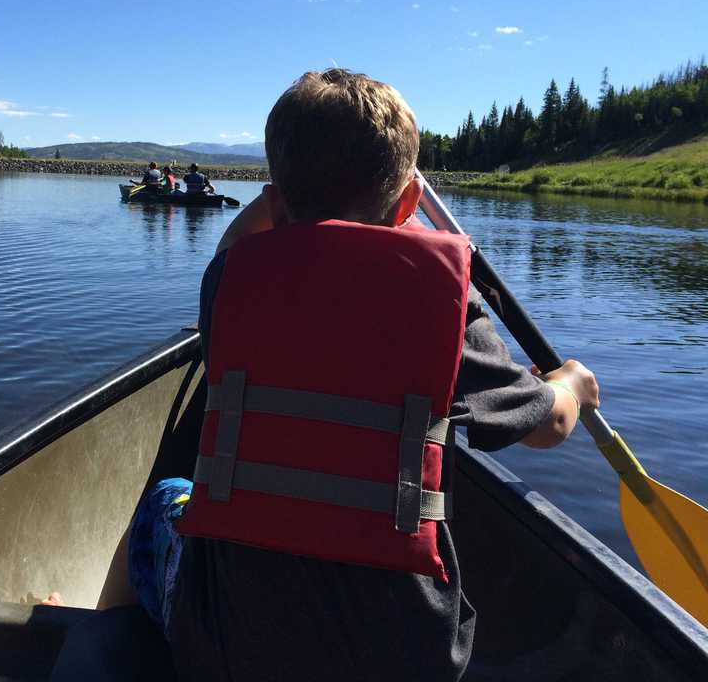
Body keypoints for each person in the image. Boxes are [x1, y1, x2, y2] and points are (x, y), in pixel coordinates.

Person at [95, 69, 601, 681]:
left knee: (161, 500)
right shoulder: (447, 312)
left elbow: (239, 240)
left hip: (233, 644)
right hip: (404, 655)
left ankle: (104, 642)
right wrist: (570, 383)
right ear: (411, 204)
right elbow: (548, 426)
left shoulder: (230, 284)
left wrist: (282, 196)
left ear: (275, 199)